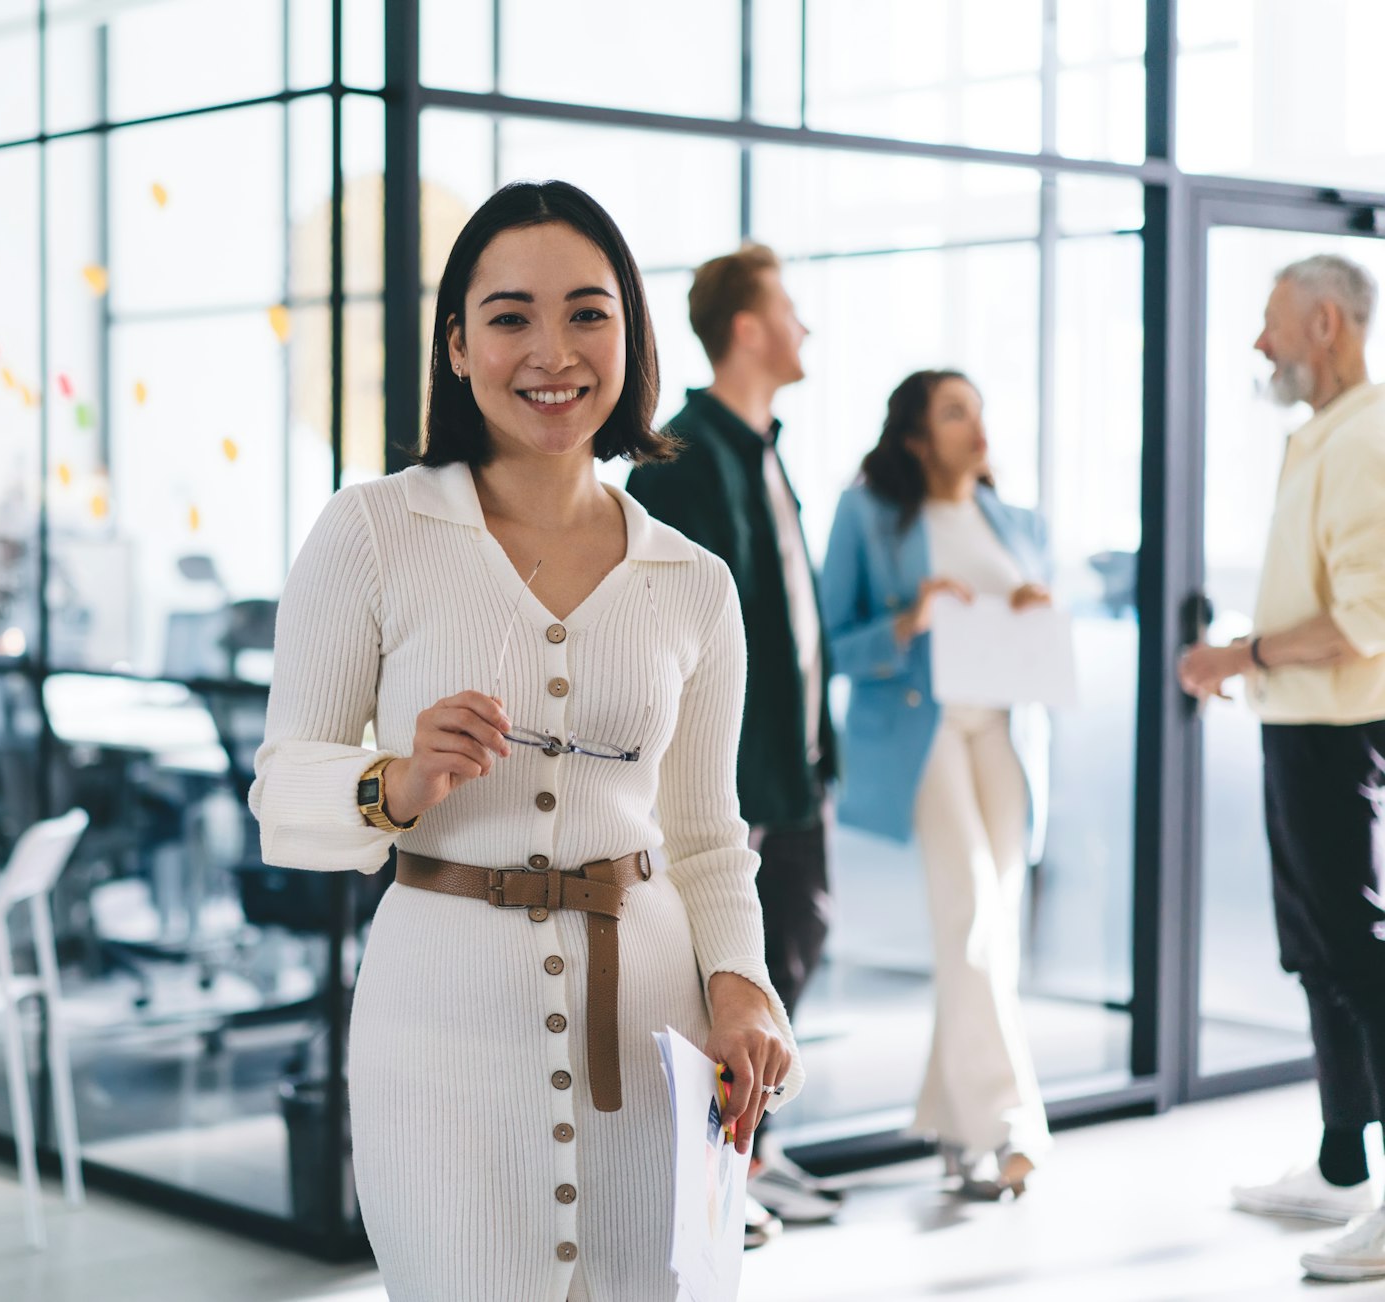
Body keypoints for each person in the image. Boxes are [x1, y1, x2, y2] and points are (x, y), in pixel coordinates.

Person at [251, 180, 802, 1302]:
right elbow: (278, 795)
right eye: (508, 317)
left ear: (629, 336)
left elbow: (704, 838)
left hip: (653, 1034)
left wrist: (740, 984)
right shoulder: (370, 534)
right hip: (437, 1032)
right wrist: (393, 782)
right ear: (456, 346)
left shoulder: (692, 584)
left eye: (585, 313)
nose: (550, 351)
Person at [624, 242, 841, 1235]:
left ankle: (748, 1155)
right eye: (791, 308)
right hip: (725, 780)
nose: (806, 325)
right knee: (721, 972)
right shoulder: (679, 461)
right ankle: (708, 1184)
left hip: (790, 767)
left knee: (788, 953)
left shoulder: (764, 449)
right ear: (746, 329)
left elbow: (795, 617)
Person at [1179, 255, 1385, 1283]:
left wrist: (1237, 655)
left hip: (1333, 733)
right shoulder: (1320, 438)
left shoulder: (1363, 444)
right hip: (1295, 725)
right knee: (1315, 950)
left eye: (1268, 325)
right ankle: (1339, 1162)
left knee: (1357, 957)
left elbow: (1363, 622)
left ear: (1321, 324)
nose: (1257, 345)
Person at [818, 369, 1053, 1199]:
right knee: (971, 915)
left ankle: (956, 1125)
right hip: (923, 734)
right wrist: (907, 622)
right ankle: (1012, 1124)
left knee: (997, 929)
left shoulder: (1015, 522)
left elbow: (1046, 624)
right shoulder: (868, 516)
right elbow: (830, 643)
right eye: (956, 412)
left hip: (999, 729)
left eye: (980, 409)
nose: (976, 425)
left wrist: (1033, 607)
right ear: (916, 435)